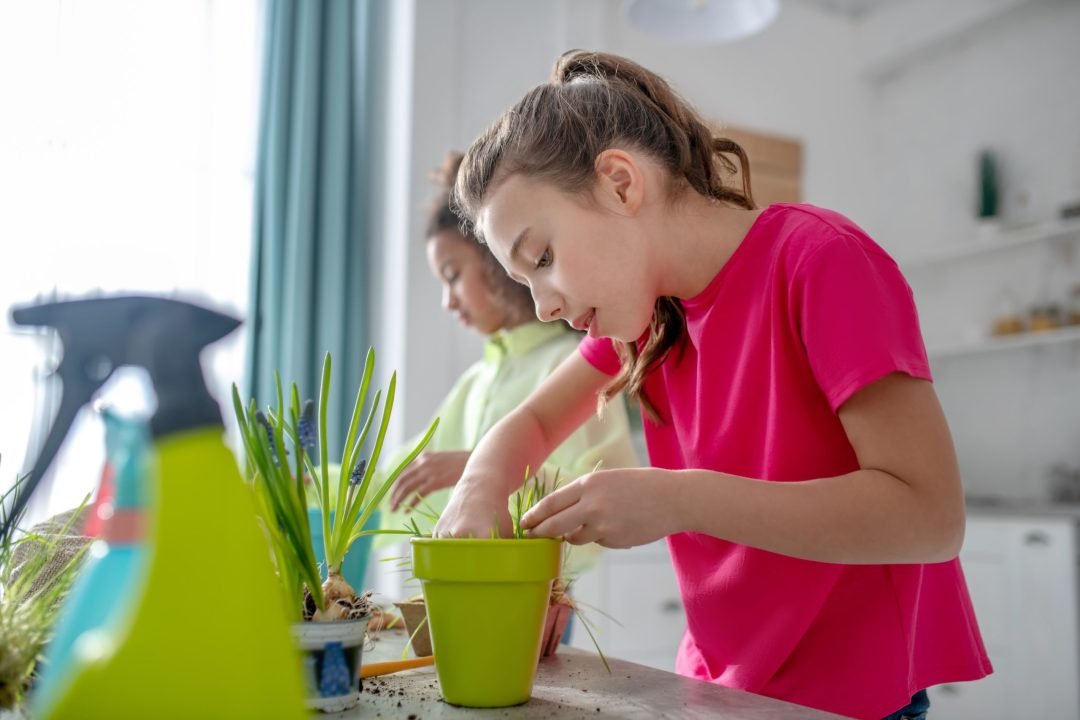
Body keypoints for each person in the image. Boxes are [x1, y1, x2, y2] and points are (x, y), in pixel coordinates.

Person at [432, 50, 991, 720]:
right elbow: (532, 424)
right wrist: (479, 488)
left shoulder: (820, 261)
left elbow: (930, 518)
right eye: (526, 283)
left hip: (850, 703)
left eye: (542, 258)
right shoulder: (644, 322)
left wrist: (678, 501)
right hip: (715, 694)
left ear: (618, 183)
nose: (545, 304)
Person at [375, 151, 638, 572]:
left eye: (452, 274)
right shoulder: (475, 382)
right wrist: (314, 485)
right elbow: (393, 474)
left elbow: (608, 494)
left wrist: (490, 470)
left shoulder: (574, 361)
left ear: (494, 260)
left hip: (539, 588)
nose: (447, 301)